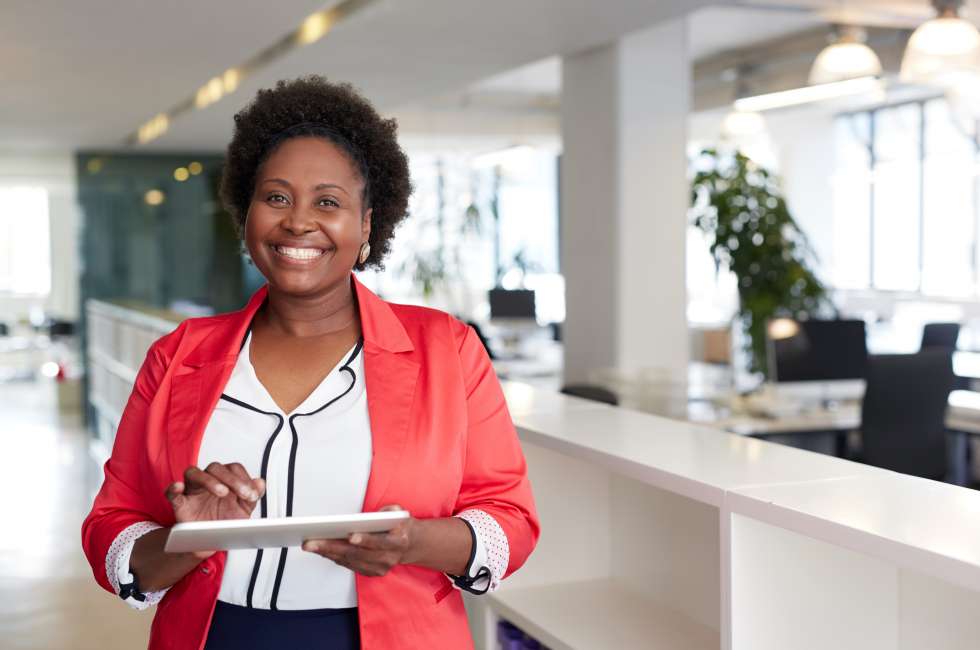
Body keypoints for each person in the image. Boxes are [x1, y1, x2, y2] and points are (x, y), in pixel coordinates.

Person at [81, 76, 539, 650]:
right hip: (215, 635)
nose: (298, 221)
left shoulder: (447, 349)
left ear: (368, 225)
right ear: (246, 215)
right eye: (276, 197)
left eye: (328, 201)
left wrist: (413, 542)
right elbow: (111, 526)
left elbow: (510, 522)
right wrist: (189, 538)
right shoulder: (177, 356)